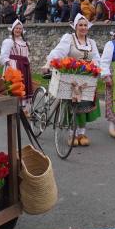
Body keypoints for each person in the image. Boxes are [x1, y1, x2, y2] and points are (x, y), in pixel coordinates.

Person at [45, 14, 101, 146]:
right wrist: (49, 63)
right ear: (75, 26)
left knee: (85, 104)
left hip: (87, 78)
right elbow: (58, 52)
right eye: (80, 25)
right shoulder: (69, 39)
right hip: (72, 76)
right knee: (71, 104)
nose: (83, 27)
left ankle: (81, 132)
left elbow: (97, 59)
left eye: (85, 25)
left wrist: (98, 70)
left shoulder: (91, 42)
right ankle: (72, 133)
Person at [0, 19, 32, 106]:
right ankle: (14, 105)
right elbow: (4, 55)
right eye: (16, 28)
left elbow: (27, 55)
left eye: (19, 28)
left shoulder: (25, 42)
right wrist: (9, 66)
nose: (18, 30)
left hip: (24, 66)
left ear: (22, 30)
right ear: (13, 29)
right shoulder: (9, 41)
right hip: (14, 66)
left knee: (24, 85)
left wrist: (27, 63)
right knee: (15, 85)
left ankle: (23, 107)